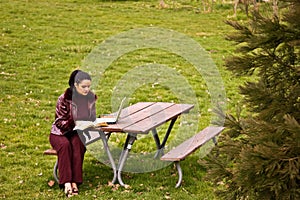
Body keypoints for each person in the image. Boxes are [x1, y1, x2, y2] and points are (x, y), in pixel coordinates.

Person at [49, 70, 97, 197]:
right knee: (65, 146)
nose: (87, 89)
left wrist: (91, 122)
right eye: (84, 87)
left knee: (78, 144)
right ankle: (66, 183)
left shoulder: (90, 98)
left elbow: (92, 117)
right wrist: (74, 121)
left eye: (88, 86)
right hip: (60, 133)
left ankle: (75, 181)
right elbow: (60, 122)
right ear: (75, 85)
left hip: (77, 132)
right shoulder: (64, 99)